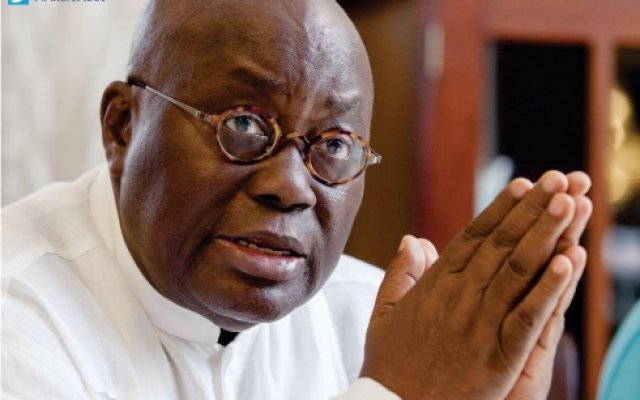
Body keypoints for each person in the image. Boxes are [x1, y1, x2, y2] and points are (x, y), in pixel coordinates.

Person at [2, 0, 593, 399]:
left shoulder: (369, 320)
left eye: (334, 145)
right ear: (123, 128)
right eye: (242, 126)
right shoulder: (19, 312)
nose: (288, 187)